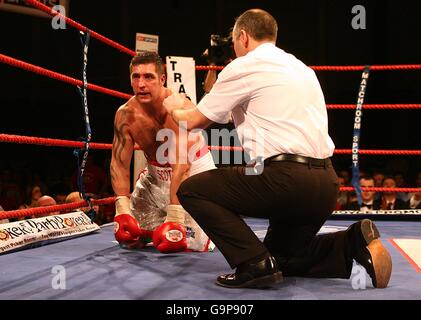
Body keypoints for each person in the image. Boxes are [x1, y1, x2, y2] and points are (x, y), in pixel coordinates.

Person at [163, 9, 392, 289]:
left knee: (192, 189)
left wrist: (172, 106)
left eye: (235, 42)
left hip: (285, 180)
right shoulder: (302, 68)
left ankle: (252, 264)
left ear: (243, 37)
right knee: (282, 258)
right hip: (326, 182)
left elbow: (196, 121)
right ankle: (352, 242)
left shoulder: (244, 67)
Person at [110, 52, 216, 253]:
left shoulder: (180, 107)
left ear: (162, 79)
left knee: (190, 243)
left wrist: (175, 216)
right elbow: (119, 163)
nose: (141, 84)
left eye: (148, 77)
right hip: (155, 178)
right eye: (136, 77)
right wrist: (122, 207)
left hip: (192, 176)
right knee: (131, 236)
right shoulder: (125, 115)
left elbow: (182, 167)